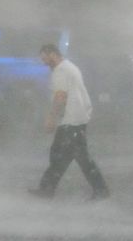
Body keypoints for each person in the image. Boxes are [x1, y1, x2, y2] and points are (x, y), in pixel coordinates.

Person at [29, 44, 110, 200]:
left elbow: (60, 96)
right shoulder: (70, 67)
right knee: (59, 154)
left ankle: (101, 191)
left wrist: (51, 118)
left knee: (80, 158)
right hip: (75, 119)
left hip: (71, 120)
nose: (44, 63)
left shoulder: (60, 71)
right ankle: (47, 189)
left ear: (52, 54)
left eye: (44, 58)